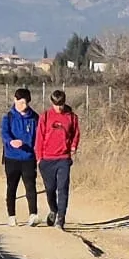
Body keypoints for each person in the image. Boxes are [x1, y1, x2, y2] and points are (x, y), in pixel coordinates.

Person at [37, 88, 80, 227]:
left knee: (63, 188)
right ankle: (53, 211)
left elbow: (76, 134)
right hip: (47, 159)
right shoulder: (45, 116)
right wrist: (39, 158)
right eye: (56, 104)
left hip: (63, 158)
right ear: (52, 103)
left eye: (61, 104)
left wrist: (73, 147)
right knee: (50, 189)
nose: (59, 107)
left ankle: (61, 217)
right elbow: (39, 137)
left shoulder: (71, 117)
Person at [0, 86, 41, 226]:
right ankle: (11, 215)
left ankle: (33, 214)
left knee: (30, 186)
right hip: (11, 157)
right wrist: (11, 142)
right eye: (19, 102)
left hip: (29, 157)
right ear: (14, 100)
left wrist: (38, 150)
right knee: (12, 186)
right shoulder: (8, 117)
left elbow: (39, 136)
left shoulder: (35, 118)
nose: (22, 106)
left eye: (25, 103)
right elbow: (4, 133)